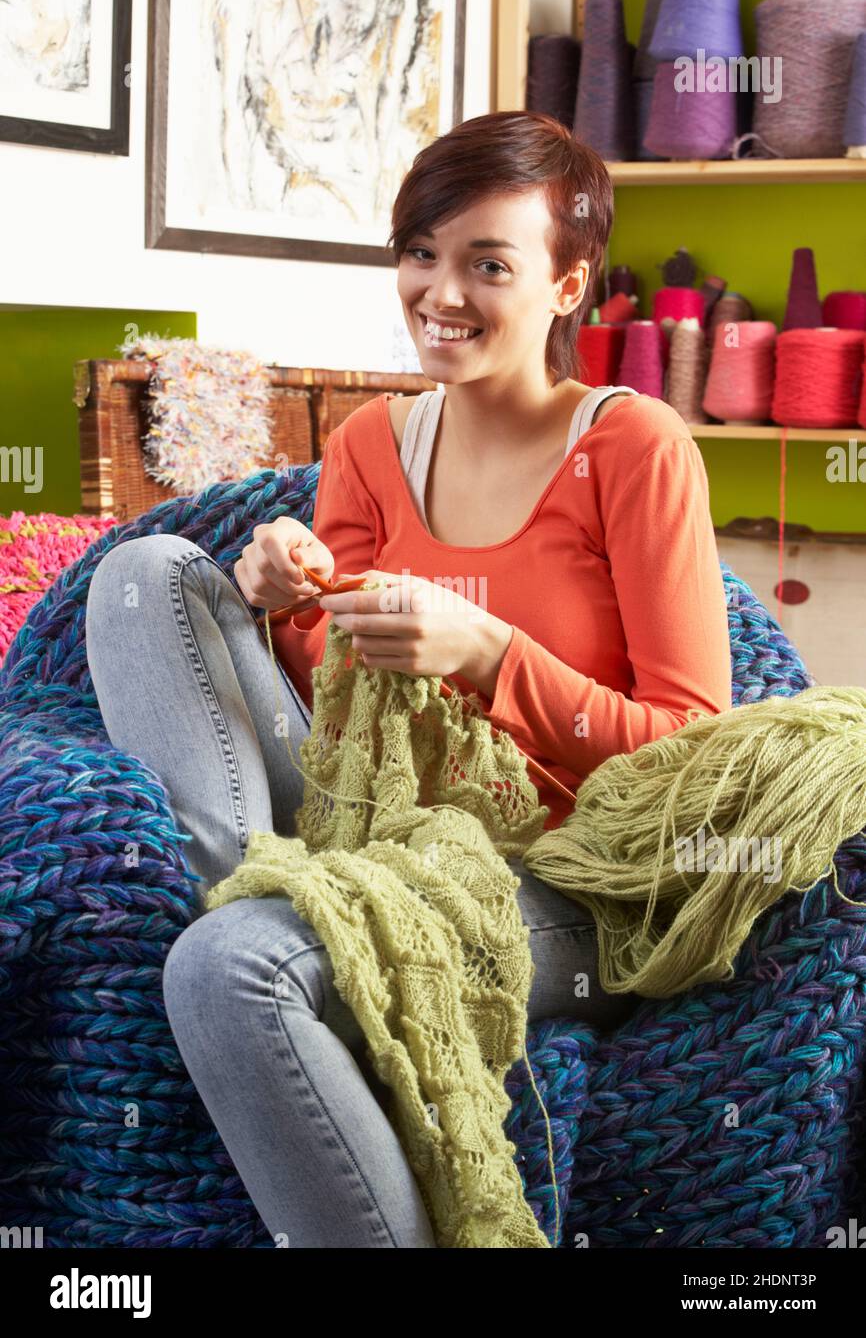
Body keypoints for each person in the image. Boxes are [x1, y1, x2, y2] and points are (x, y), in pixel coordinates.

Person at [85, 111, 732, 1249]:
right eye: (420, 253)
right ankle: (261, 893)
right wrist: (281, 596)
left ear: (568, 285)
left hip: (560, 877)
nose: (441, 292)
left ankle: (272, 935)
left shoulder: (633, 448)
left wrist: (489, 656)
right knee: (148, 572)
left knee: (231, 969)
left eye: (488, 264)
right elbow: (332, 687)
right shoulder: (372, 444)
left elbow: (690, 748)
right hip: (372, 823)